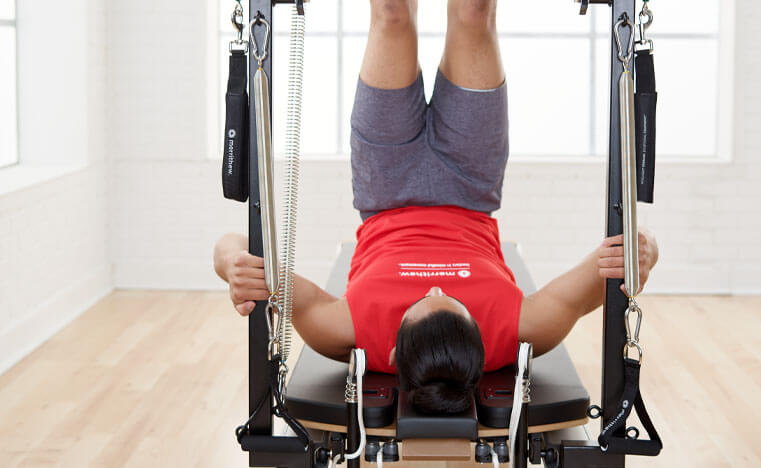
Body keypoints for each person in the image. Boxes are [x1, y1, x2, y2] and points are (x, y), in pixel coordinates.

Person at [214, 0, 659, 415]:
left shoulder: (348, 332)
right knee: (473, 13)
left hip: (386, 186)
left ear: (392, 353)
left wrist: (233, 266)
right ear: (480, 343)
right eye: (453, 303)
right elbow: (621, 257)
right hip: (470, 185)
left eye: (422, 303)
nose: (436, 289)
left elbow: (237, 247)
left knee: (391, 16)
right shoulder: (519, 330)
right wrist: (643, 254)